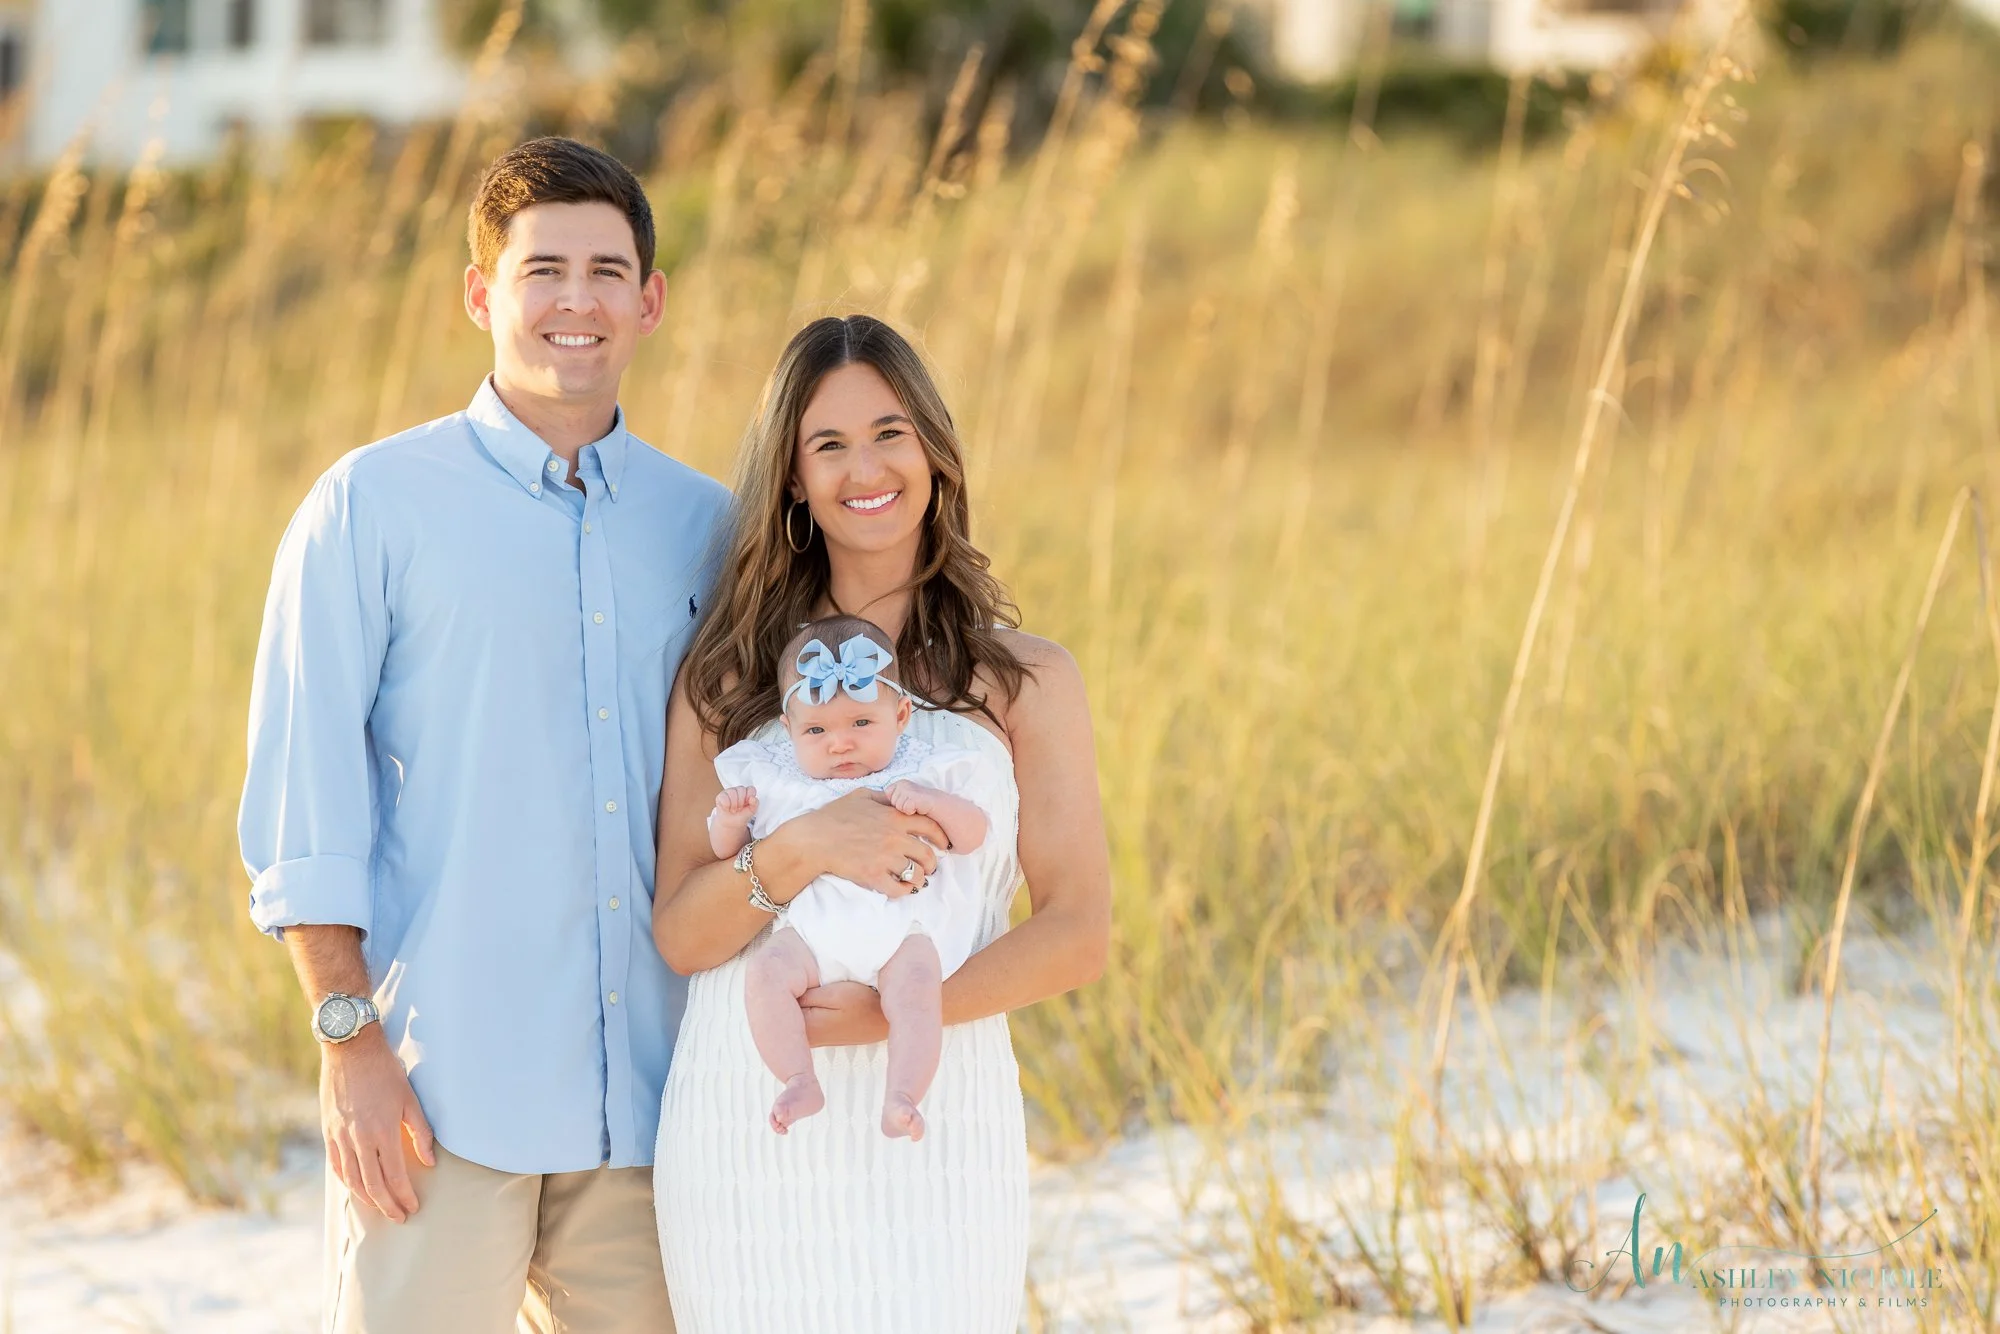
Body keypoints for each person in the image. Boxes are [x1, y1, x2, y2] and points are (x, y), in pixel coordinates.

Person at [237, 137, 729, 1333]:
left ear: (649, 301)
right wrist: (347, 1040)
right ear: (480, 293)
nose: (577, 299)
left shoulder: (706, 523)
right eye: (542, 267)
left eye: (608, 270)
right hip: (436, 1097)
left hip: (654, 1114)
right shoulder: (370, 505)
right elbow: (306, 803)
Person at [651, 314, 1112, 1333]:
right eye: (828, 444)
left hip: (939, 1110)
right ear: (791, 481)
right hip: (751, 1111)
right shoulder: (724, 678)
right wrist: (806, 843)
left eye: (889, 431)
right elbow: (683, 932)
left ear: (934, 452)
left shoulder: (1024, 680)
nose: (865, 466)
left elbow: (1078, 928)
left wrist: (892, 1015)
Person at [707, 616, 1006, 1140]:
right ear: (788, 727)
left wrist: (935, 803)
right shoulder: (778, 781)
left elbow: (975, 833)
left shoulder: (926, 771)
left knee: (918, 990)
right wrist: (730, 821)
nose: (840, 744)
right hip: (811, 937)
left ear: (901, 714)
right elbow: (731, 855)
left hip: (902, 930)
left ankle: (904, 1094)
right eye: (817, 730)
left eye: (861, 725)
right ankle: (799, 1076)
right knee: (766, 975)